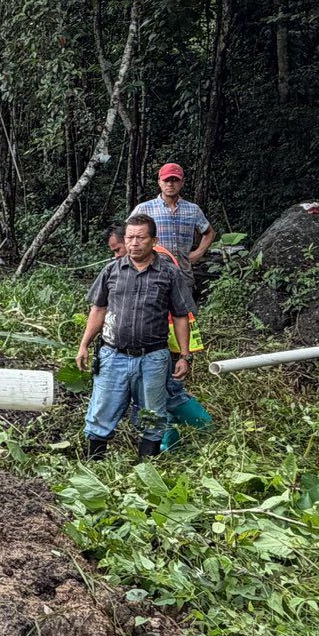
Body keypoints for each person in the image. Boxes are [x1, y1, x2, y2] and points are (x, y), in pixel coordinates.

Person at [75, 214, 194, 460]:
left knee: (152, 414)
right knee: (101, 410)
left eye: (141, 237)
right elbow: (98, 309)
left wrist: (184, 355)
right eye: (130, 237)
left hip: (153, 357)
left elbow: (181, 315)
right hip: (113, 354)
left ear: (154, 240)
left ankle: (145, 468)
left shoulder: (170, 274)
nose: (134, 243)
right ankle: (94, 465)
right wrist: (84, 345)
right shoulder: (111, 271)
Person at [138, 163, 215, 268]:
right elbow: (127, 234)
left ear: (182, 182)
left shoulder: (193, 209)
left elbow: (209, 232)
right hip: (153, 272)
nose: (170, 184)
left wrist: (198, 253)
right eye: (166, 180)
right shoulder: (144, 208)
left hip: (183, 272)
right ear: (159, 182)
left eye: (175, 180)